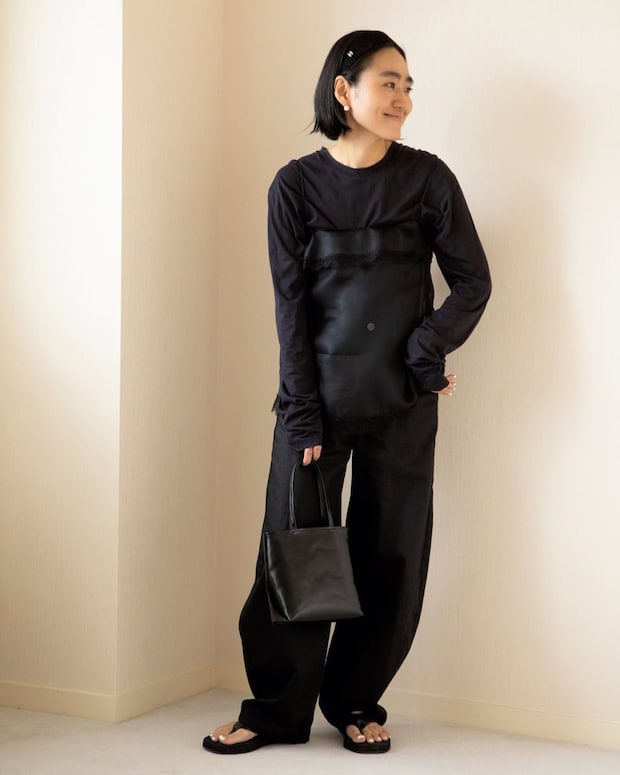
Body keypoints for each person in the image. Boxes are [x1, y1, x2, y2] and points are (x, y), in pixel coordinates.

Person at [203, 29, 491, 755]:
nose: (403, 99)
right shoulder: (294, 186)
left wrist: (424, 353)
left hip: (401, 404)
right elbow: (290, 309)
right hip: (316, 404)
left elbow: (473, 282)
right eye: (389, 82)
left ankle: (357, 701)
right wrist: (302, 413)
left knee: (391, 556)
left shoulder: (428, 179)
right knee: (296, 551)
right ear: (343, 89)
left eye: (408, 86)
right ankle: (276, 711)